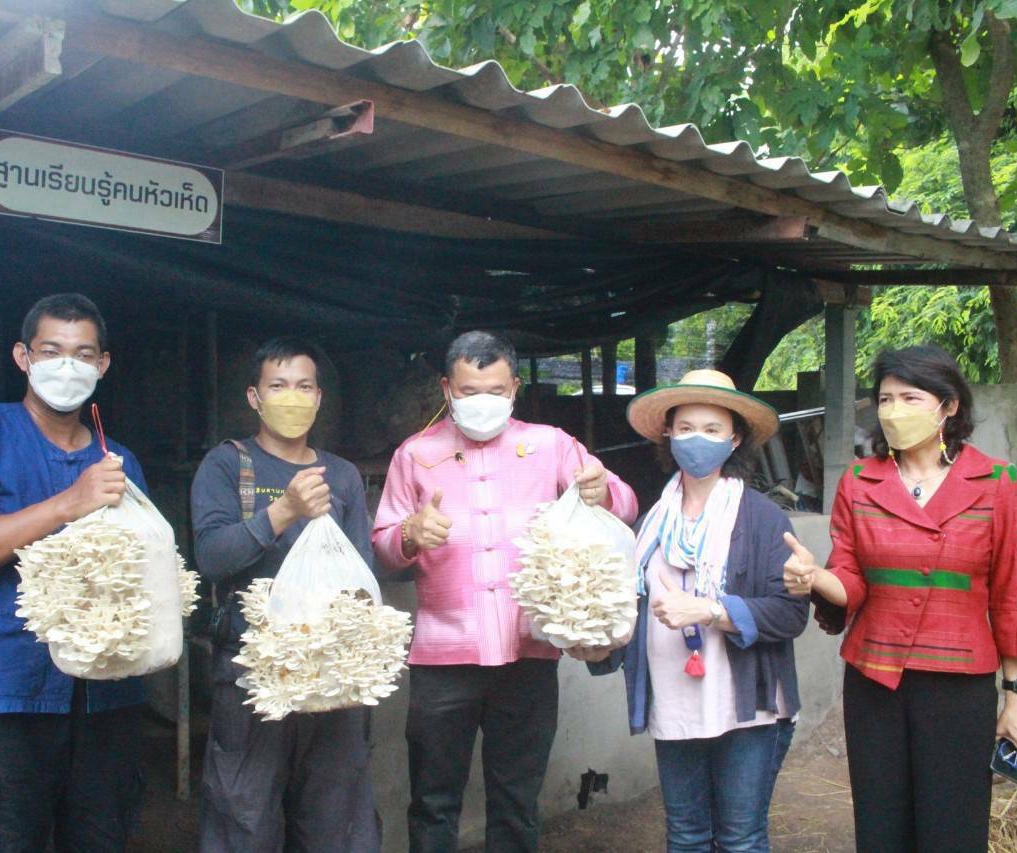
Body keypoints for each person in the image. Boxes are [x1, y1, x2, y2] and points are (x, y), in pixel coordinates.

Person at [371, 330, 638, 852]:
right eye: (469, 392)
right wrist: (408, 535)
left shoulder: (550, 445)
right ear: (447, 389)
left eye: (495, 390)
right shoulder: (415, 454)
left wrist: (604, 490)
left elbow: (623, 505)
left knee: (516, 802)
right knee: (432, 801)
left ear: (514, 386)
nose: (482, 402)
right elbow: (382, 546)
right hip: (442, 661)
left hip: (527, 656)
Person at [784, 345, 1017, 852]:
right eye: (884, 399)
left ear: (948, 406)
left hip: (959, 689)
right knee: (881, 831)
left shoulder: (996, 482)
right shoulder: (860, 482)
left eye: (909, 397)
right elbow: (851, 580)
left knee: (951, 831)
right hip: (874, 683)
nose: (893, 411)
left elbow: (1014, 594)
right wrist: (815, 578)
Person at [0, 293, 147, 852]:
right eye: (52, 351)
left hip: (104, 693)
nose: (67, 366)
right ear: (23, 356)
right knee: (6, 836)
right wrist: (65, 505)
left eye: (82, 353)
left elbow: (143, 567)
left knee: (100, 835)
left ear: (102, 365)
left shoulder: (116, 459)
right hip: (7, 686)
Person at [578, 368, 808, 853]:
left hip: (747, 708)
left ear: (734, 438)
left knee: (740, 838)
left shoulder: (762, 518)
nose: (696, 440)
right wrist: (596, 642)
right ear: (667, 433)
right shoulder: (648, 524)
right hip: (675, 702)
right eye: (685, 428)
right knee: (684, 836)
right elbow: (628, 612)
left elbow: (789, 616)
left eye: (711, 430)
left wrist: (707, 610)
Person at [190, 337, 379, 852]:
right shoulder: (226, 466)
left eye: (303, 386)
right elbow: (210, 556)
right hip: (253, 673)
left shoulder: (340, 475)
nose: (291, 397)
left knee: (334, 818)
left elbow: (361, 573)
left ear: (318, 398)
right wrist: (284, 511)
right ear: (255, 397)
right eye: (278, 386)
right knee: (243, 814)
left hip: (331, 673)